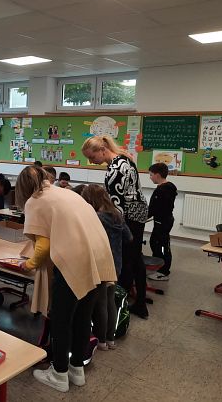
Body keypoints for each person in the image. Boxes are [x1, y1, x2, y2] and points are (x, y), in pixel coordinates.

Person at [16, 166, 115, 393]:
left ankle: (59, 373)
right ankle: (76, 369)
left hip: (75, 261)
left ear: (22, 187)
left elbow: (43, 246)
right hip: (99, 258)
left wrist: (28, 264)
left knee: (61, 319)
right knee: (83, 317)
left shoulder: (36, 200)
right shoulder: (67, 192)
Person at [82, 136, 149, 319]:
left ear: (102, 150)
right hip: (138, 211)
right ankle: (140, 301)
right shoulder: (124, 159)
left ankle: (123, 303)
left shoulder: (115, 168)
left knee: (128, 260)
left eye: (92, 157)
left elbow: (116, 207)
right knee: (136, 258)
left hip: (130, 215)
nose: (91, 162)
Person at [81, 184, 132, 351]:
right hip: (116, 263)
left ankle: (101, 340)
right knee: (110, 301)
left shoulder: (96, 217)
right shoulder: (117, 215)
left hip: (101, 263)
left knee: (100, 303)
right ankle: (111, 339)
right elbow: (129, 237)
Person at [147, 162, 178, 281]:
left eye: (151, 175)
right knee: (157, 243)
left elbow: (154, 208)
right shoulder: (170, 186)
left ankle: (163, 271)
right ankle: (159, 267)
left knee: (161, 245)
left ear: (157, 175)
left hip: (162, 221)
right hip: (166, 220)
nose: (150, 177)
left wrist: (143, 217)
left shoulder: (161, 190)